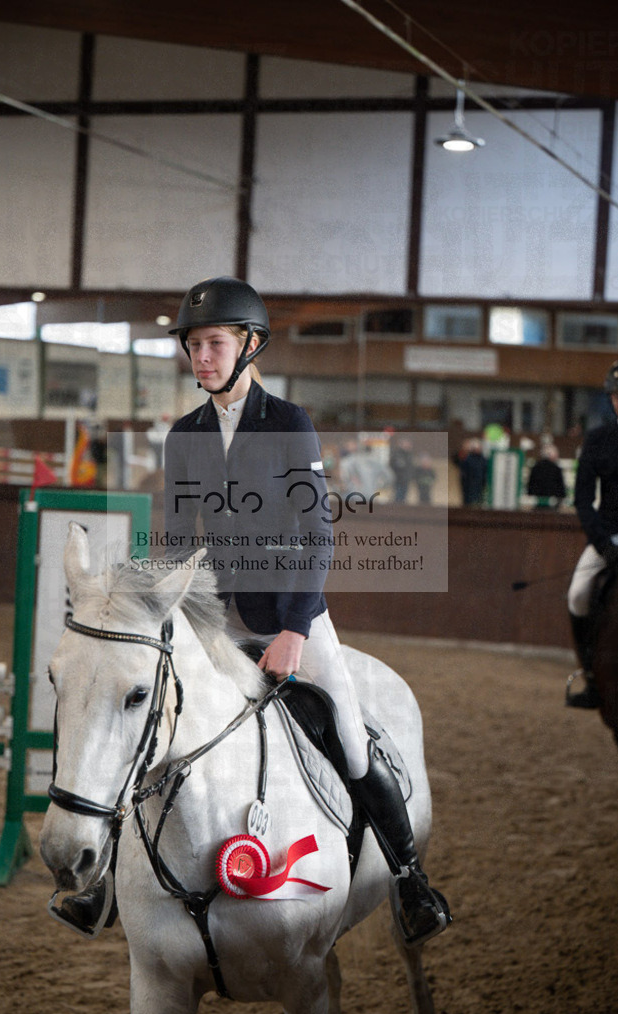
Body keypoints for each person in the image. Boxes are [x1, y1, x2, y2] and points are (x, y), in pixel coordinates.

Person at [56, 277, 451, 946]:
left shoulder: (289, 423)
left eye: (213, 343)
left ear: (248, 345)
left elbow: (315, 533)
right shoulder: (184, 435)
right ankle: (102, 889)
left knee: (347, 735)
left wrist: (295, 628)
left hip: (288, 612)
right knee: (151, 732)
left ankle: (410, 879)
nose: (201, 356)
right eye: (193, 345)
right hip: (213, 621)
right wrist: (153, 606)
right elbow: (179, 542)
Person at [566, 360, 618, 709]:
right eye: (617, 395)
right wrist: (603, 542)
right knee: (578, 595)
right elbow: (583, 500)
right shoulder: (598, 441)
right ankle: (592, 680)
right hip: (608, 539)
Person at [527, 444, 566, 509]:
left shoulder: (535, 468)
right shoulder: (556, 469)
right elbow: (561, 490)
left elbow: (530, 487)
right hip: (553, 505)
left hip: (537, 504)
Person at [456, 438, 488, 506]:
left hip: (480, 486)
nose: (478, 449)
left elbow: (485, 472)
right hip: (469, 487)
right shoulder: (467, 460)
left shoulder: (483, 460)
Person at [389, 437, 414, 503]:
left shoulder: (409, 455)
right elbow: (394, 466)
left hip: (406, 481)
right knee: (398, 497)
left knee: (403, 498)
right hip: (398, 480)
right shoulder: (396, 454)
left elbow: (410, 468)